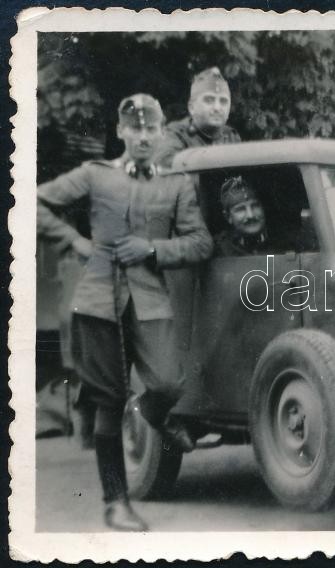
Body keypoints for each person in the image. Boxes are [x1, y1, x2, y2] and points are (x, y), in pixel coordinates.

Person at [37, 94, 213, 532]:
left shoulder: (176, 185)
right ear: (121, 132)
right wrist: (74, 241)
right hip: (99, 299)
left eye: (151, 129)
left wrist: (153, 249)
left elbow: (200, 243)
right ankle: (116, 503)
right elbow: (33, 202)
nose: (144, 136)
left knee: (168, 381)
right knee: (109, 400)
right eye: (135, 128)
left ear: (161, 132)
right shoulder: (95, 175)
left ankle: (153, 413)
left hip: (151, 300)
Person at [154, 66, 241, 168]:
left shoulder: (231, 136)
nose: (217, 107)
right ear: (192, 107)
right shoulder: (175, 134)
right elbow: (167, 163)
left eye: (223, 101)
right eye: (209, 100)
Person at [214, 176, 270, 256]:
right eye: (240, 209)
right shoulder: (221, 250)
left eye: (255, 206)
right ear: (228, 217)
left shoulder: (284, 244)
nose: (250, 215)